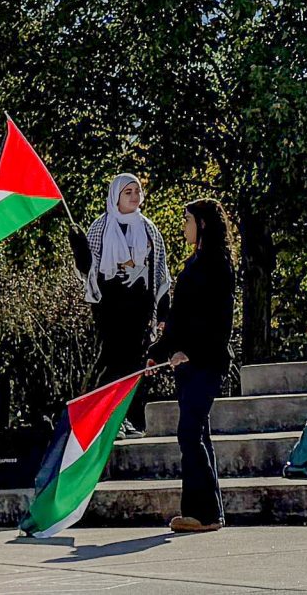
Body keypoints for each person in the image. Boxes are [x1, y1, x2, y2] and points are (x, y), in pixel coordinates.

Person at [146, 199, 236, 533]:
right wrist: (158, 352)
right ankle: (210, 513)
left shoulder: (217, 266)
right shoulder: (193, 264)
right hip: (187, 365)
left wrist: (191, 354)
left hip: (207, 363)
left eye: (187, 220)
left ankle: (202, 513)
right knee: (200, 435)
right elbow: (180, 320)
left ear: (203, 224)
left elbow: (217, 325)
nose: (183, 226)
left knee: (189, 433)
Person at [70, 173, 170, 438]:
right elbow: (88, 269)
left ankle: (128, 418)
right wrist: (79, 248)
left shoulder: (148, 228)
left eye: (137, 191)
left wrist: (163, 311)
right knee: (113, 361)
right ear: (116, 196)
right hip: (110, 307)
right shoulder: (101, 227)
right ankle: (104, 417)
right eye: (128, 192)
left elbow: (160, 273)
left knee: (136, 363)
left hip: (140, 308)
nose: (134, 197)